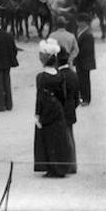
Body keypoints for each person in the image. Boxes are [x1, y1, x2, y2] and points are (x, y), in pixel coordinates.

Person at [34, 38, 71, 178]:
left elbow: (39, 97)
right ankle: (61, 168)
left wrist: (37, 114)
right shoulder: (60, 76)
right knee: (59, 138)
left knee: (47, 138)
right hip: (57, 108)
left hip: (46, 109)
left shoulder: (41, 77)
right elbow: (63, 95)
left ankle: (50, 167)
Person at [57, 49, 79, 174]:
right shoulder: (73, 74)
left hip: (62, 110)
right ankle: (73, 164)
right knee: (70, 136)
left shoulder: (60, 76)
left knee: (65, 138)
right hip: (71, 108)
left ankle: (68, 165)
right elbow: (77, 96)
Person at [74, 13, 96, 106]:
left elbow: (86, 49)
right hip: (80, 61)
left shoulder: (88, 34)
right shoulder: (81, 31)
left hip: (85, 61)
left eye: (79, 22)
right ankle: (82, 97)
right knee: (80, 79)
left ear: (84, 23)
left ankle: (86, 99)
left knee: (85, 80)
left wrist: (76, 53)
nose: (77, 23)